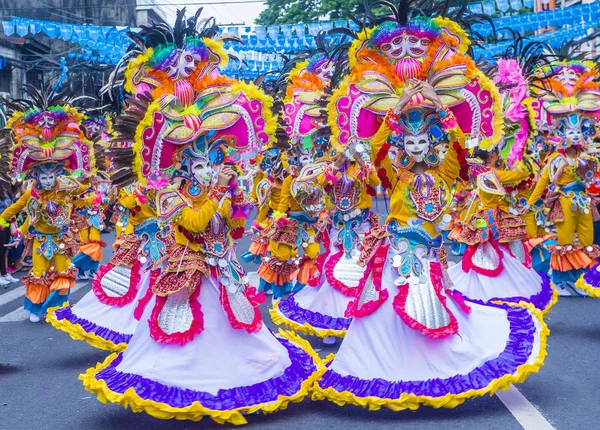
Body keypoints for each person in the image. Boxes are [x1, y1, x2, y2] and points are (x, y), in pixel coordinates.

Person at [79, 11, 322, 424]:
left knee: (237, 326)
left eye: (214, 160)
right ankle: (184, 381)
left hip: (222, 266)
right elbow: (192, 223)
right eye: (201, 162)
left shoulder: (216, 186)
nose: (210, 168)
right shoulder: (170, 192)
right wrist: (215, 194)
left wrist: (236, 197)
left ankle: (241, 372)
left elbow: (233, 226)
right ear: (185, 166)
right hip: (187, 270)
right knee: (185, 330)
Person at [312, 10, 547, 411]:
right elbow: (381, 154)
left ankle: (429, 361)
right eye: (411, 142)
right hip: (400, 247)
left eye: (424, 142)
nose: (417, 148)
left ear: (433, 143)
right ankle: (384, 363)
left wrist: (439, 108)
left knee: (432, 303)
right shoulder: (395, 174)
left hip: (430, 250)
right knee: (384, 307)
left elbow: (457, 149)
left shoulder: (446, 170)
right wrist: (392, 116)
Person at [0, 88, 93, 322]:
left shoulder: (65, 189)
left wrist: (86, 183)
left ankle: (58, 308)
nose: (48, 180)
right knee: (38, 273)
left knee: (62, 273)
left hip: (61, 239)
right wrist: (4, 222)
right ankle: (36, 308)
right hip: (40, 240)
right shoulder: (31, 194)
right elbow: (15, 210)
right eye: (44, 177)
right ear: (37, 177)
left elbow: (83, 191)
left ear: (57, 175)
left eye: (52, 177)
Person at [0, 190, 18, 286]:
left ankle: (4, 273)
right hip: (0, 223)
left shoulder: (5, 192)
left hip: (7, 223)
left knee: (4, 249)